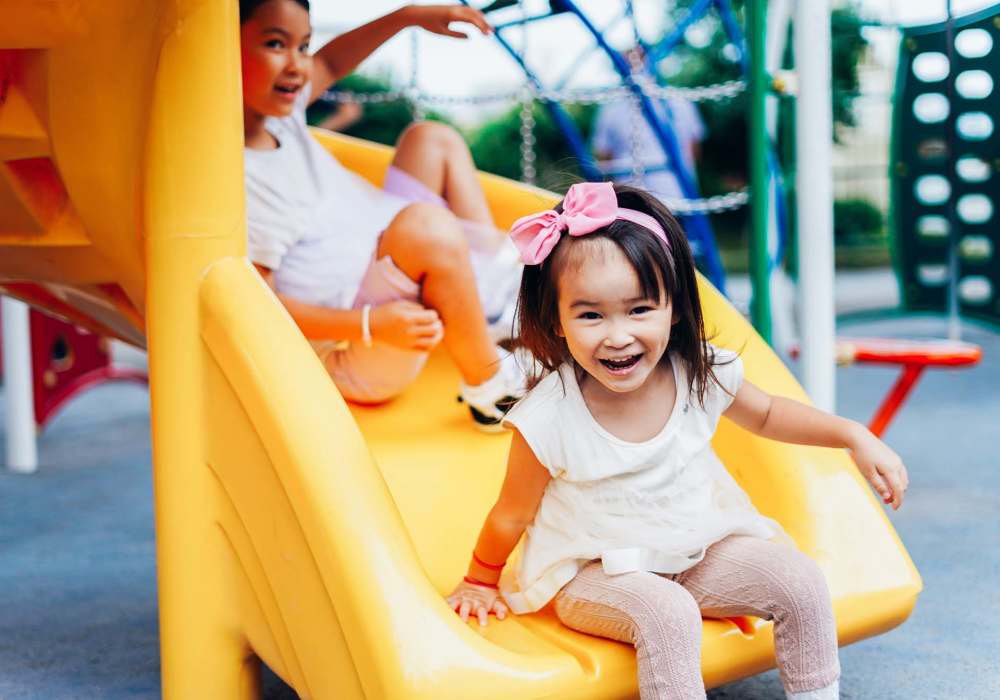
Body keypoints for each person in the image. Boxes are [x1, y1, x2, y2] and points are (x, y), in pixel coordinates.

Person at [446, 182, 909, 699]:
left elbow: (771, 414)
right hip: (592, 573)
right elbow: (512, 512)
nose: (618, 334)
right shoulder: (550, 416)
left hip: (693, 551)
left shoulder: (697, 372)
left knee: (798, 580)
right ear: (556, 321)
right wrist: (480, 580)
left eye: (640, 310)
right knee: (667, 616)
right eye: (591, 315)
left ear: (676, 308)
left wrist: (853, 435)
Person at [239, 0, 524, 429]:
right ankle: (490, 389)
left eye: (303, 46)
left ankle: (494, 294)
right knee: (426, 227)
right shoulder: (238, 175)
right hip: (359, 344)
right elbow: (257, 306)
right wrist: (371, 324)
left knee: (431, 139)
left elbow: (332, 62)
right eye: (276, 44)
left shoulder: (281, 114)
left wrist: (407, 16)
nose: (298, 65)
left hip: (385, 253)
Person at [591, 50, 705, 202]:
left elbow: (603, 158)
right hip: (648, 198)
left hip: (666, 197)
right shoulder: (679, 101)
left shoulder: (610, 108)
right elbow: (603, 159)